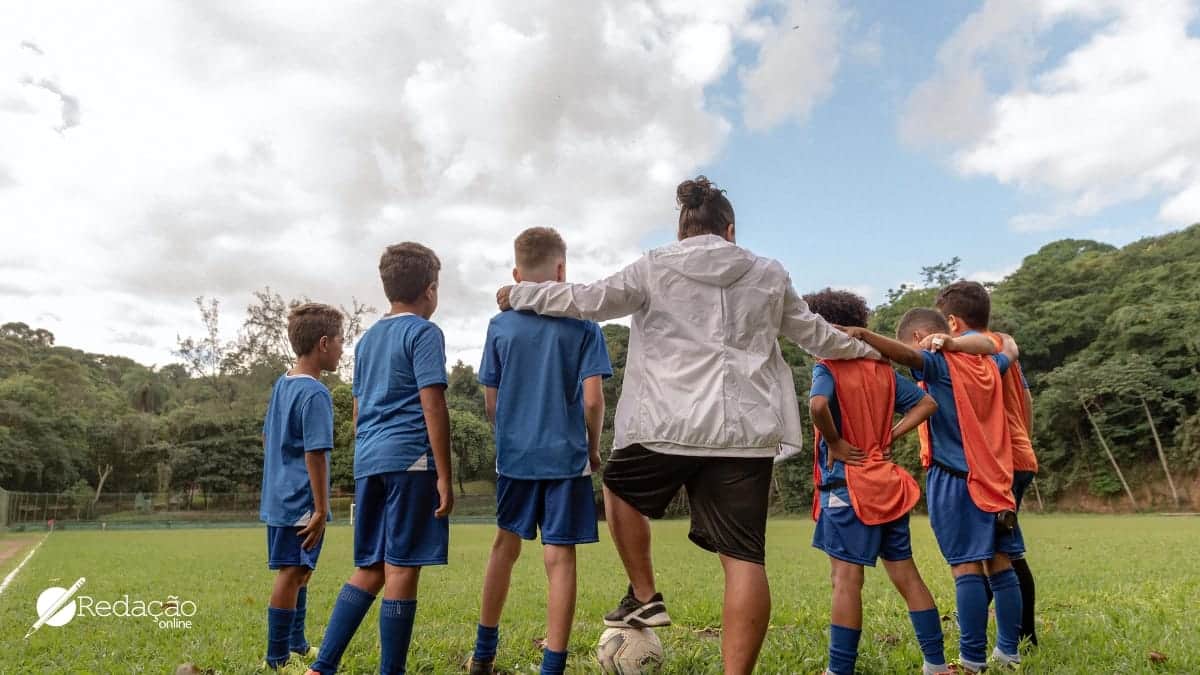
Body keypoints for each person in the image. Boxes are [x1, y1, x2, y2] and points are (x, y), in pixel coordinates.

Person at [496, 176, 880, 675]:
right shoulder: (767, 273)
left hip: (665, 424)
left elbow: (585, 300)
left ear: (682, 231)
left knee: (617, 486)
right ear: (730, 229)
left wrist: (520, 292)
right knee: (744, 558)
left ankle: (645, 593)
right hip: (745, 433)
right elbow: (816, 336)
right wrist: (873, 350)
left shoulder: (655, 265)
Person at [841, 309, 1023, 672]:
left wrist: (863, 334)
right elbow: (1011, 347)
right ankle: (1008, 653)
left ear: (922, 336)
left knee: (966, 567)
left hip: (957, 479)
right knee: (1001, 566)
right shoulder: (988, 366)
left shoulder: (941, 364)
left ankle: (971, 661)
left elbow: (908, 356)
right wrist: (962, 342)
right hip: (998, 480)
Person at [468, 227, 612, 675]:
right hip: (566, 458)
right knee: (559, 556)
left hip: (516, 457)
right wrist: (591, 448)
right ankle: (553, 665)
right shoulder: (585, 325)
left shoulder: (499, 325)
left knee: (503, 547)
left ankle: (484, 654)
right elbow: (593, 399)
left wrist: (510, 433)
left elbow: (490, 401)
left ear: (516, 274)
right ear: (561, 270)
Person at [307, 243, 454, 675]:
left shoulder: (368, 339)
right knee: (403, 566)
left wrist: (371, 448)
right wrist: (444, 474)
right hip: (410, 460)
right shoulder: (425, 333)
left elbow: (356, 409)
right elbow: (433, 405)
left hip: (369, 459)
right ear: (430, 290)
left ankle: (322, 665)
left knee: (370, 565)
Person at [801, 289, 948, 675]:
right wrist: (889, 437)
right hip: (887, 484)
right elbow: (927, 403)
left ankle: (839, 670)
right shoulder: (881, 369)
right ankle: (936, 664)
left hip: (848, 488)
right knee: (908, 575)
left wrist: (834, 441)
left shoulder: (828, 367)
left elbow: (817, 406)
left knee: (846, 581)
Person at [934, 280, 1038, 647]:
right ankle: (1004, 632)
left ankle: (1019, 635)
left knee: (1000, 553)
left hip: (998, 460)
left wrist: (947, 344)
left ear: (951, 322)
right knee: (997, 549)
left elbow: (1003, 351)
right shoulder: (997, 347)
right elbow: (1026, 398)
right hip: (1012, 455)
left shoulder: (990, 343)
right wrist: (1023, 438)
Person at [260, 303, 343, 672]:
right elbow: (316, 455)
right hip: (299, 503)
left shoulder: (283, 384)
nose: (343, 348)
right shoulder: (315, 394)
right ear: (323, 343)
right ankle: (276, 657)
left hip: (279, 495)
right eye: (341, 340)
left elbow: (267, 437)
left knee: (302, 570)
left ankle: (296, 642)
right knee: (291, 572)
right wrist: (322, 508)